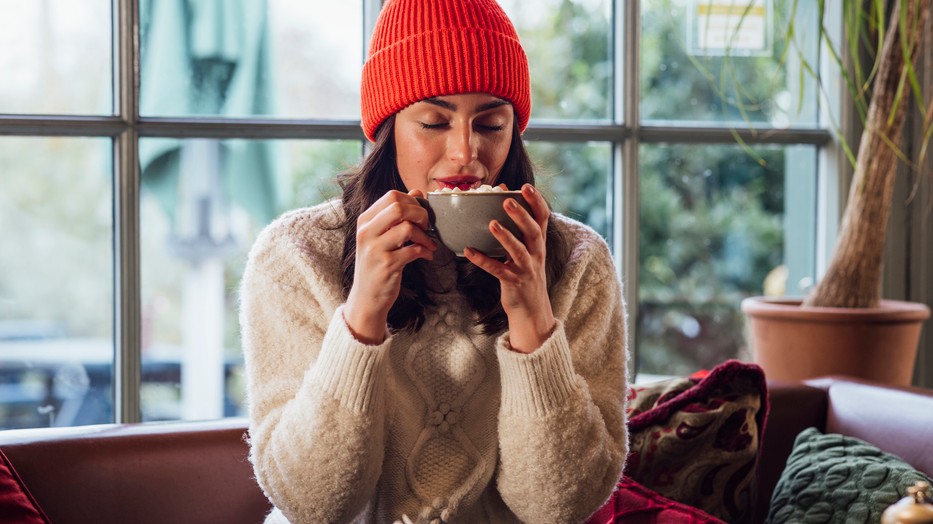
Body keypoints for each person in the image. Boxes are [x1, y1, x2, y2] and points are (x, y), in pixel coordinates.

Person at [239, 0, 629, 522]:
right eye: (433, 121)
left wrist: (533, 320)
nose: (465, 153)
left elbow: (560, 507)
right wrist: (361, 317)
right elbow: (313, 504)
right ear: (388, 129)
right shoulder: (295, 254)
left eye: (491, 125)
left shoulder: (578, 261)